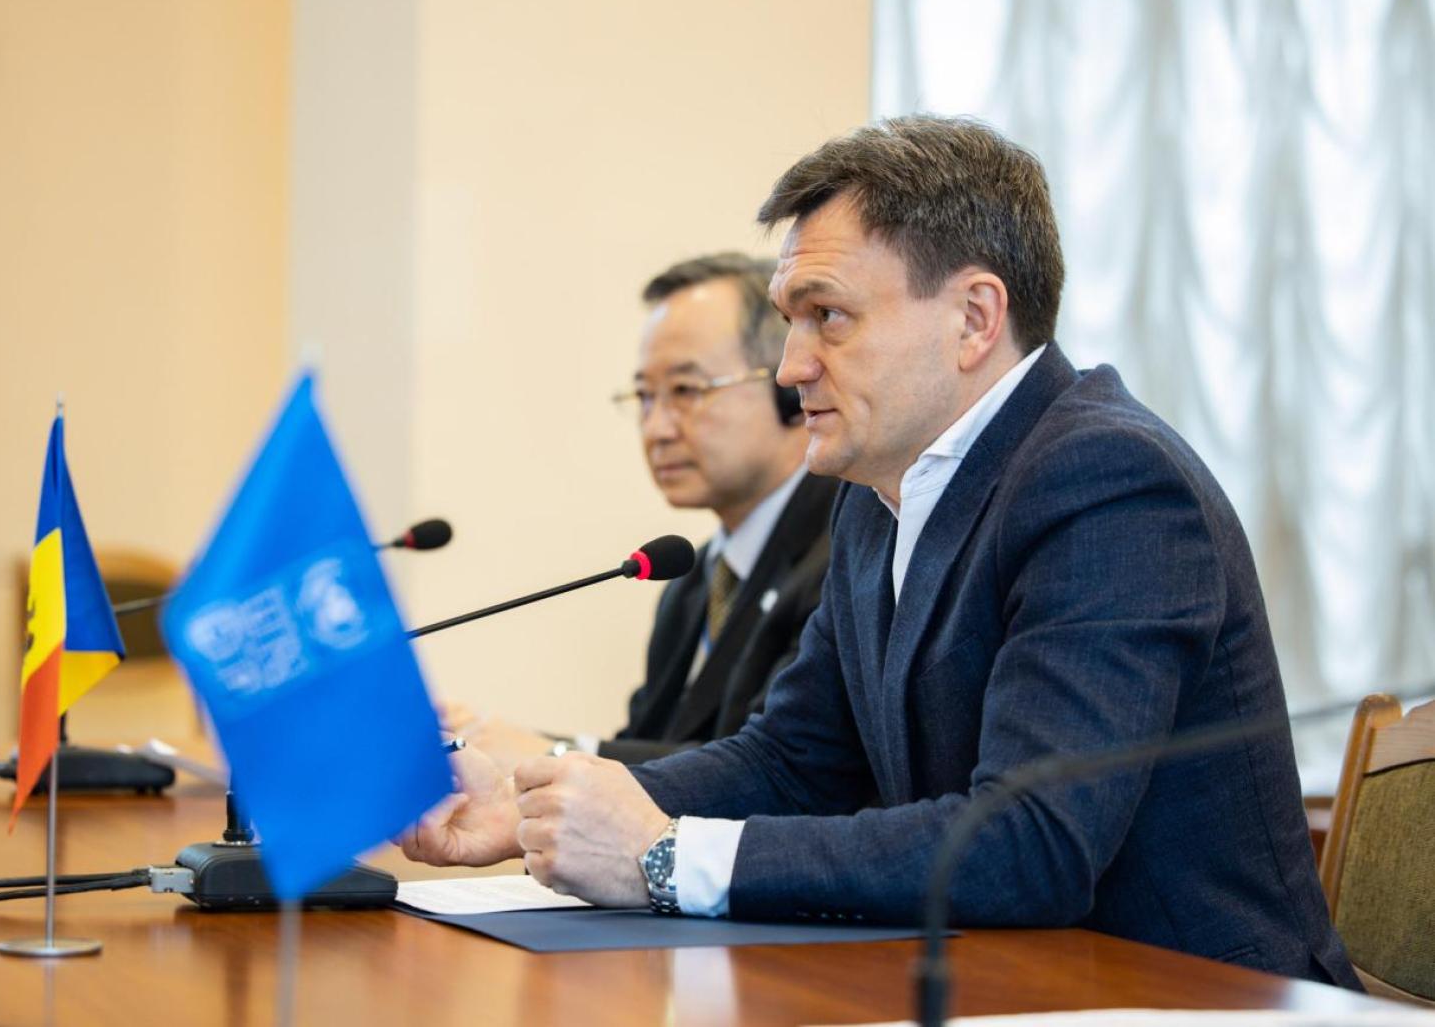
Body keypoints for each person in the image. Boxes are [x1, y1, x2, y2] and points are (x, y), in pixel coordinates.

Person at [402, 115, 1356, 985]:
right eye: (790, 318)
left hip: (1193, 997)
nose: (791, 366)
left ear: (974, 318)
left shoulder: (1108, 480)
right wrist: (533, 804)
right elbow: (793, 763)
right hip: (1010, 985)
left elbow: (1031, 845)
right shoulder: (874, 499)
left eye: (829, 316)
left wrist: (663, 856)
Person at [445, 254, 838, 772]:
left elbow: (775, 770)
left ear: (786, 389)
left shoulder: (841, 554)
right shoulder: (691, 580)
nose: (657, 429)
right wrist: (499, 750)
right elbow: (648, 747)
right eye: (645, 397)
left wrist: (551, 752)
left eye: (686, 391)